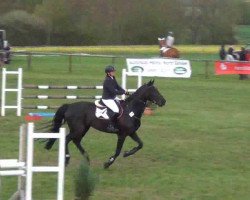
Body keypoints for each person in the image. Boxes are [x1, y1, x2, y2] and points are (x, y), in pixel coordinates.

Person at [101, 65, 129, 132]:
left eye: (113, 71)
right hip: (107, 99)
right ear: (108, 73)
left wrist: (124, 91)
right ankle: (110, 125)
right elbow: (113, 91)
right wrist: (123, 92)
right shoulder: (107, 80)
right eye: (112, 71)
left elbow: (117, 86)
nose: (114, 72)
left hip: (112, 97)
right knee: (116, 110)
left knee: (122, 104)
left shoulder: (112, 77)